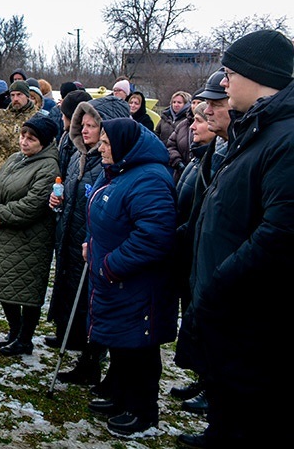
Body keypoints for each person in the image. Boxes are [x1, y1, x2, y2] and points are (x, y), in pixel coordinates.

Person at [178, 30, 294, 447]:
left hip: (250, 311)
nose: (224, 83)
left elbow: (279, 233)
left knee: (250, 415)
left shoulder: (286, 138)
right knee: (227, 400)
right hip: (228, 307)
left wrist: (219, 283)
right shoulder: (258, 130)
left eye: (229, 73)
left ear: (256, 74)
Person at [84, 118, 177, 438]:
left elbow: (154, 236)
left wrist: (110, 265)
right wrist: (91, 244)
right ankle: (120, 396)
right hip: (116, 281)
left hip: (136, 283)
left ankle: (143, 411)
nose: (100, 148)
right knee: (121, 342)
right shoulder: (121, 171)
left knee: (140, 347)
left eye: (106, 143)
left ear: (125, 145)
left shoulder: (149, 179)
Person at [47, 93, 128, 385]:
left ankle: (92, 357)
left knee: (94, 302)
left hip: (94, 243)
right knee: (74, 293)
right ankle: (76, 341)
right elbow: (71, 193)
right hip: (71, 238)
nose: (84, 130)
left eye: (92, 126)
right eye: (82, 125)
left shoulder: (111, 164)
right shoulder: (78, 157)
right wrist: (57, 201)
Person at [171, 70, 229, 420]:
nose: (194, 125)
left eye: (200, 120)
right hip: (191, 246)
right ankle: (203, 378)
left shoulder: (219, 155)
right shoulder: (201, 156)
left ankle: (212, 384)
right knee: (192, 315)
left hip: (205, 250)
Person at [0, 114, 60, 357]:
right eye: (22, 136)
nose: (24, 142)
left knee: (26, 291)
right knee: (6, 287)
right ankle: (15, 331)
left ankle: (25, 338)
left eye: (31, 139)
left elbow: (34, 204)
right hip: (4, 237)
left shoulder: (48, 167)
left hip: (29, 240)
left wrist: (0, 214)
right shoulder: (15, 158)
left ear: (43, 142)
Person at [0, 80, 39, 167]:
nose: (16, 99)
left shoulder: (37, 118)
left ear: (27, 96)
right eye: (12, 95)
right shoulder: (0, 115)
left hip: (24, 168)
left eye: (19, 94)